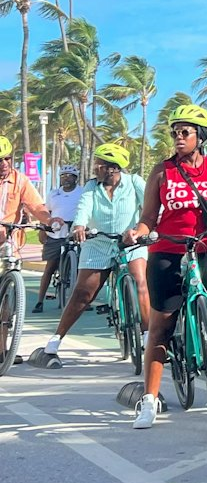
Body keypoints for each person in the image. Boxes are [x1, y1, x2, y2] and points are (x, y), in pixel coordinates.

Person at [132, 105, 207, 430]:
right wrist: (138, 233)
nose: (178, 138)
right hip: (167, 251)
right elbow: (148, 217)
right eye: (175, 132)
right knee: (161, 328)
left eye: (185, 132)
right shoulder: (161, 171)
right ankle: (150, 399)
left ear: (201, 136)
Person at [43, 144, 150, 361]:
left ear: (113, 168)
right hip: (97, 243)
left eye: (98, 165)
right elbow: (83, 208)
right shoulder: (91, 187)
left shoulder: (134, 182)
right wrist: (80, 226)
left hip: (130, 242)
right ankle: (56, 339)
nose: (94, 169)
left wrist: (138, 231)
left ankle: (147, 334)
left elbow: (149, 208)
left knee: (140, 282)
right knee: (83, 293)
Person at [33, 165, 84, 312]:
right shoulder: (53, 194)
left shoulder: (82, 192)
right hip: (55, 234)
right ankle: (40, 301)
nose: (66, 178)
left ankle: (79, 301)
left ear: (75, 178)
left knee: (81, 267)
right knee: (50, 268)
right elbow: (46, 212)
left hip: (74, 233)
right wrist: (43, 229)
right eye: (63, 176)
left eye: (69, 175)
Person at [0, 136, 52, 251]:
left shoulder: (20, 180)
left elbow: (36, 206)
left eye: (7, 158)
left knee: (12, 265)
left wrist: (49, 220)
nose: (4, 163)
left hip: (9, 242)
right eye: (0, 160)